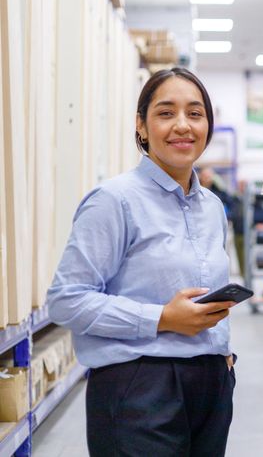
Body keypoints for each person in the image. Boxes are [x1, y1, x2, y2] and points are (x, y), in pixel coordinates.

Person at [47, 68, 237, 456]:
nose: (182, 125)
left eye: (195, 114)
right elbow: (66, 299)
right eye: (166, 113)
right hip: (138, 385)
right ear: (142, 126)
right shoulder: (114, 201)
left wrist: (222, 354)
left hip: (211, 385)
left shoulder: (213, 207)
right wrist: (161, 319)